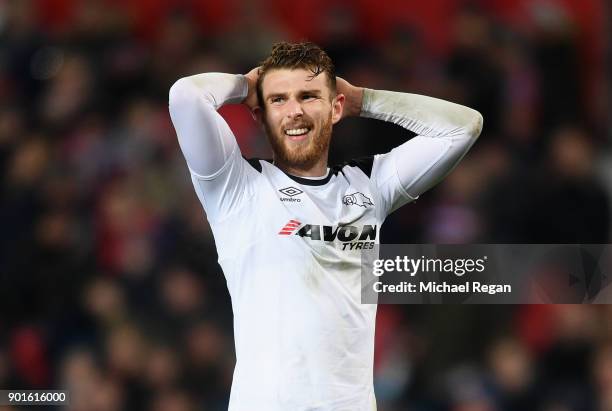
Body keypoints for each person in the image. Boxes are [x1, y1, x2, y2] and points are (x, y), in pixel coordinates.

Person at [168, 41, 483, 411]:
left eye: (308, 96)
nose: (294, 111)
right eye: (278, 100)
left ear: (334, 107)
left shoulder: (370, 185)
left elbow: (464, 127)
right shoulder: (236, 186)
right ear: (259, 114)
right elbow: (186, 96)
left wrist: (363, 99)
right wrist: (244, 85)